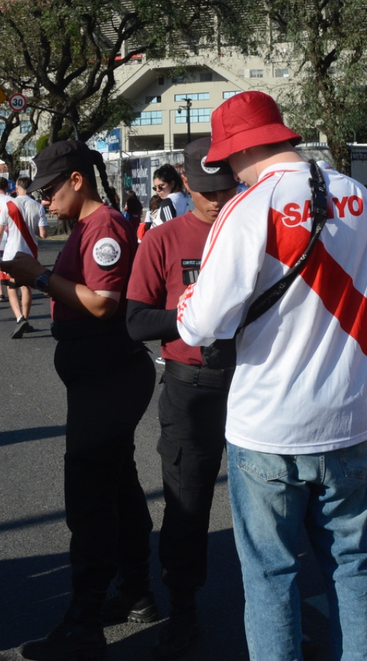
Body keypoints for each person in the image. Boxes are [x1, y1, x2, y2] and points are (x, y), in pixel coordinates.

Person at [176, 90, 367, 660]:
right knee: (353, 564)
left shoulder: (246, 209)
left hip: (268, 425)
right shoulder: (358, 195)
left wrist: (188, 299)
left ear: (235, 152)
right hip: (350, 415)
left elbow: (201, 326)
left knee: (271, 578)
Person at [0, 141, 156, 660]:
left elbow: (102, 303)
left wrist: (37, 275)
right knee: (119, 486)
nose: (42, 200)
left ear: (76, 180)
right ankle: (136, 591)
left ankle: (83, 622)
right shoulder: (87, 227)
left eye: (48, 189)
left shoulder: (104, 227)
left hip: (108, 374)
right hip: (99, 376)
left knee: (89, 497)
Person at [125, 138, 239, 658]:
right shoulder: (164, 240)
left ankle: (272, 605)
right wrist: (192, 318)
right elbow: (135, 320)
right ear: (187, 183)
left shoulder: (255, 231)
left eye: (229, 187)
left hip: (253, 384)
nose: (219, 199)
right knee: (187, 500)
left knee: (270, 501)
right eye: (209, 189)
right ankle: (183, 606)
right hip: (190, 387)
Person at [0, 176, 49, 338]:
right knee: (26, 286)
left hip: (11, 251)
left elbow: (0, 231)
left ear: (17, 187)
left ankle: (19, 318)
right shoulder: (38, 206)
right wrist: (32, 230)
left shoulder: (8, 205)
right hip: (29, 251)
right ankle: (26, 318)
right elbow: (43, 234)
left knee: (11, 286)